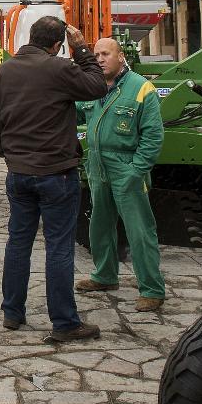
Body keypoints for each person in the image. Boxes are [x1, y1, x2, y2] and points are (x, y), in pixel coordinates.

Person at [0, 16, 108, 342]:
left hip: (19, 174)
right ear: (56, 45)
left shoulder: (2, 72)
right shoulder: (59, 68)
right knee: (58, 248)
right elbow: (96, 86)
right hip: (56, 174)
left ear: (30, 38)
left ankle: (12, 311)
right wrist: (82, 49)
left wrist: (8, 154)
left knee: (18, 242)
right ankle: (64, 322)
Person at [75, 38, 166, 312]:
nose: (100, 59)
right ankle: (104, 276)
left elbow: (153, 136)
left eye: (106, 54)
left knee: (140, 231)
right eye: (97, 54)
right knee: (99, 226)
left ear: (121, 56)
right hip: (98, 166)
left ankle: (152, 289)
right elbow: (76, 112)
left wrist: (136, 170)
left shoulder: (140, 88)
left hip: (126, 168)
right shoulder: (93, 88)